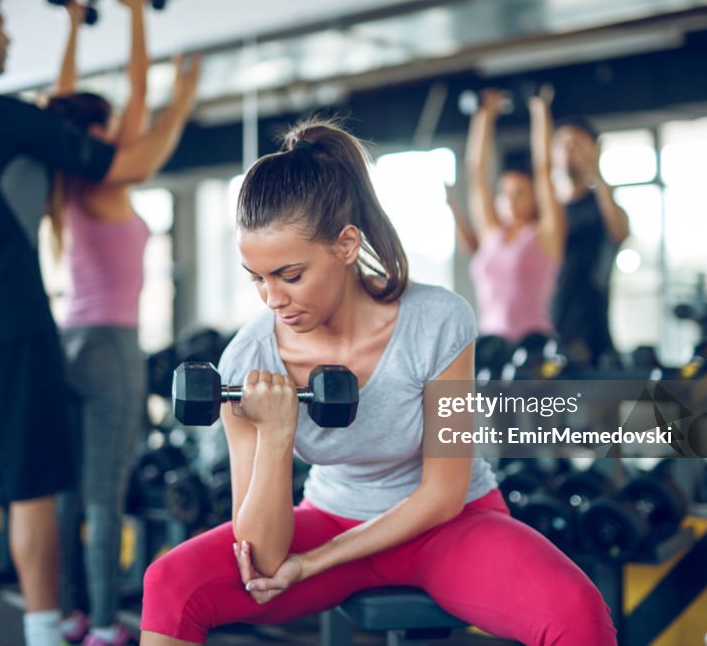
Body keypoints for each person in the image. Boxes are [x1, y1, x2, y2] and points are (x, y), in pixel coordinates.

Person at [138, 119, 616, 645]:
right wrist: (276, 436)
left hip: (449, 527)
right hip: (328, 516)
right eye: (259, 278)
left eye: (291, 276)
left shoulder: (436, 321)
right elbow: (264, 559)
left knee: (575, 612)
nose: (273, 299)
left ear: (345, 245)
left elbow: (442, 494)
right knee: (169, 584)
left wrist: (317, 561)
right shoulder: (248, 360)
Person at [0, 0, 186, 646]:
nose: (8, 40)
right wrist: (180, 90)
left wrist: (74, 29)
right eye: (2, 30)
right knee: (37, 490)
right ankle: (43, 632)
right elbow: (123, 152)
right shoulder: (8, 120)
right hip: (12, 327)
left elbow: (56, 113)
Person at [44, 0, 200, 646]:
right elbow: (143, 103)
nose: (116, 130)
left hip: (70, 341)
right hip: (110, 346)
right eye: (104, 124)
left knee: (70, 495)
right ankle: (106, 626)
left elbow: (63, 104)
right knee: (104, 495)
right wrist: (140, 21)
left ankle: (70, 614)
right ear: (92, 132)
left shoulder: (63, 180)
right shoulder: (106, 181)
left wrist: (76, 29)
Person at [447, 88, 565, 342]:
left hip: (533, 343)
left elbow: (544, 170)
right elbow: (476, 173)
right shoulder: (492, 234)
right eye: (505, 192)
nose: (510, 199)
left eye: (520, 192)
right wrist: (484, 114)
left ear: (534, 198)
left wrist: (539, 109)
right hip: (491, 342)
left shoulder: (544, 235)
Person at [550, 115, 630, 365]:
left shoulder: (601, 207)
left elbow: (619, 232)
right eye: (563, 143)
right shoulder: (547, 213)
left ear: (594, 149)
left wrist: (596, 172)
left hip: (593, 333)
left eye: (577, 144)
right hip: (546, 330)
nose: (569, 150)